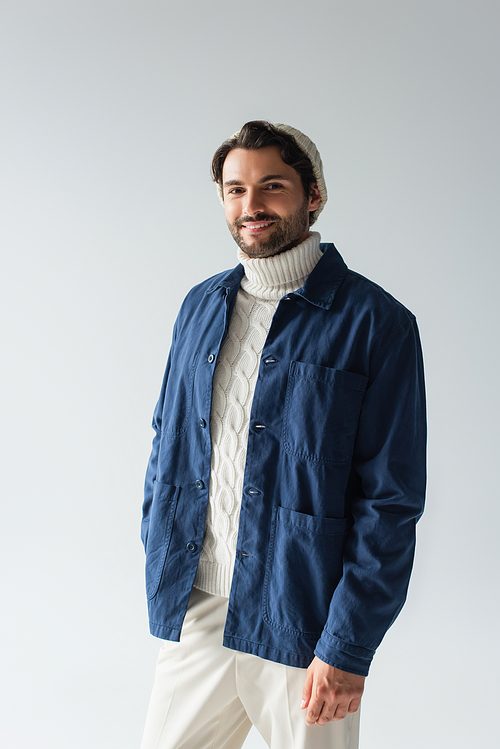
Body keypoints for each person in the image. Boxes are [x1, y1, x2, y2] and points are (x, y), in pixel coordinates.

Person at [140, 121, 426, 749]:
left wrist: (348, 646)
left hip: (304, 616)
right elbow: (167, 443)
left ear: (313, 194)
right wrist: (159, 554)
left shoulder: (377, 323)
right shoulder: (199, 306)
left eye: (271, 186)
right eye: (235, 189)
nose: (251, 206)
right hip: (199, 607)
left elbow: (390, 500)